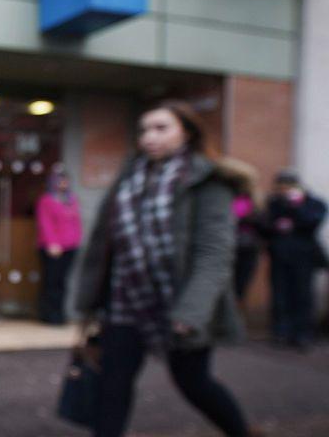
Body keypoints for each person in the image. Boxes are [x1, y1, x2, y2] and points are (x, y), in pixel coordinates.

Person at [74, 100, 256, 437]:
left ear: (186, 133)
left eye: (161, 128)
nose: (149, 137)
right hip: (126, 299)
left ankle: (241, 432)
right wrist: (91, 298)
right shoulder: (130, 178)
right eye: (144, 130)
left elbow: (213, 254)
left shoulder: (208, 182)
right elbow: (105, 242)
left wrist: (192, 310)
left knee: (194, 384)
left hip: (180, 301)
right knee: (111, 386)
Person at [262, 169, 327, 350]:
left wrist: (296, 206)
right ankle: (281, 332)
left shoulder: (313, 203)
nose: (283, 191)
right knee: (280, 295)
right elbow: (265, 226)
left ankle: (302, 333)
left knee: (302, 295)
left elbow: (312, 222)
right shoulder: (275, 203)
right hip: (279, 256)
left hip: (304, 257)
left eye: (287, 187)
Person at [35, 168, 82, 324]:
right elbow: (45, 224)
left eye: (65, 180)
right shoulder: (46, 200)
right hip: (53, 247)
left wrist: (76, 240)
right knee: (51, 282)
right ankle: (49, 314)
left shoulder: (71, 200)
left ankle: (60, 313)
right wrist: (52, 243)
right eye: (60, 180)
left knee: (62, 282)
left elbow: (76, 222)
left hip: (70, 246)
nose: (63, 183)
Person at [220, 158, 264, 302]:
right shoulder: (223, 197)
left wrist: (247, 219)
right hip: (226, 247)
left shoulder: (253, 199)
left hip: (246, 248)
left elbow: (263, 224)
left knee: (238, 289)